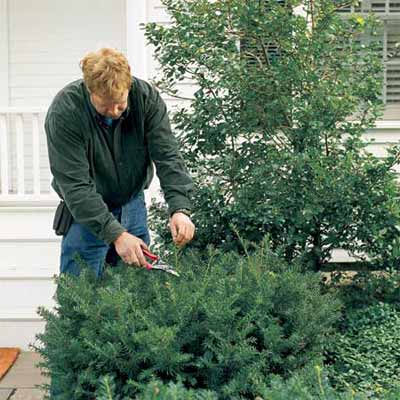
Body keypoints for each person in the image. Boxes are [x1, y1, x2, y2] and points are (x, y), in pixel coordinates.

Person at [45, 48, 195, 277]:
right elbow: (75, 186)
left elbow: (168, 157)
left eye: (120, 104)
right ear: (90, 91)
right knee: (80, 300)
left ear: (128, 87)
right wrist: (117, 235)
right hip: (86, 214)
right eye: (105, 106)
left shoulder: (146, 99)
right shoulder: (65, 112)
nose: (114, 111)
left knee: (135, 298)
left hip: (132, 206)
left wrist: (180, 208)